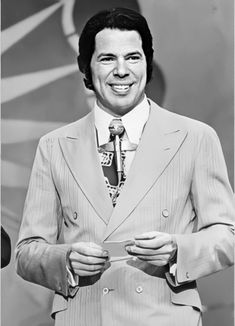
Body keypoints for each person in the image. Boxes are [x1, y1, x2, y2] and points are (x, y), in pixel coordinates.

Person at [15, 7, 234, 326]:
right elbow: (26, 253)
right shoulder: (55, 146)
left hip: (165, 316)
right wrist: (65, 259)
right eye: (107, 59)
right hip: (85, 316)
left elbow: (227, 234)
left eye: (133, 57)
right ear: (86, 69)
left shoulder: (195, 137)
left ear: (148, 63)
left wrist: (177, 250)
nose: (122, 70)